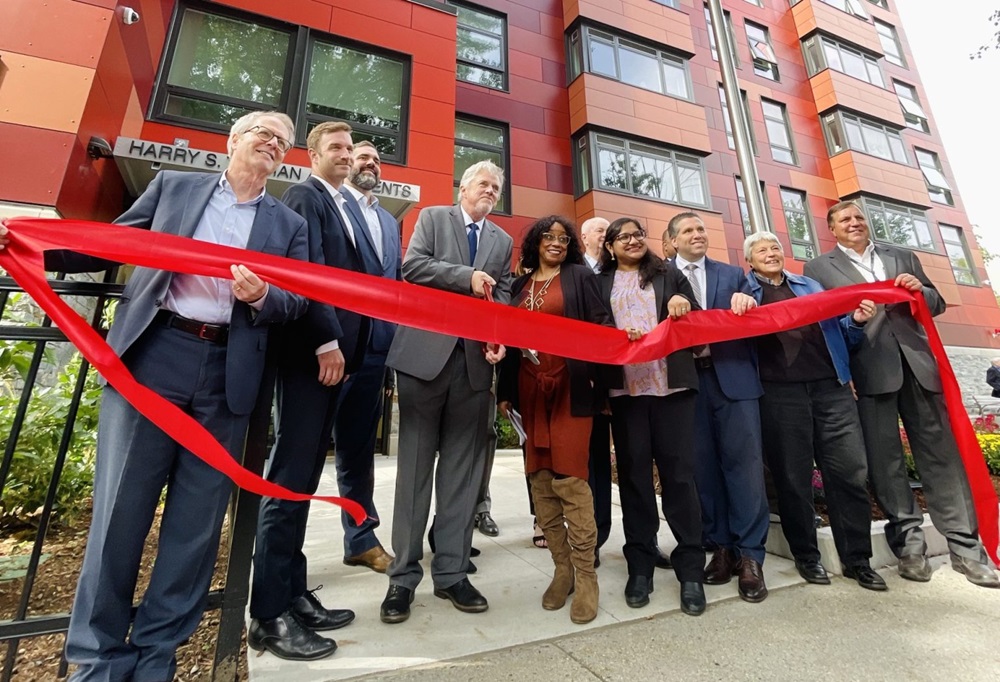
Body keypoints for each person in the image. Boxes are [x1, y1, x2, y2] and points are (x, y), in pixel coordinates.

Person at [24, 111, 311, 680]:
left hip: (228, 375)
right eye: (265, 134)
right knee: (119, 515)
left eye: (283, 143)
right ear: (233, 139)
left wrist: (262, 297)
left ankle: (157, 658)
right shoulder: (174, 187)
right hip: (154, 358)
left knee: (195, 528)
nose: (274, 145)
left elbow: (298, 299)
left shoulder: (287, 223)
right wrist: (32, 245)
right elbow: (113, 243)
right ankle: (98, 661)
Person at [805, 201, 999, 588]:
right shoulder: (819, 269)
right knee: (886, 464)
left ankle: (965, 547)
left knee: (942, 458)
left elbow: (935, 302)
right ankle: (910, 546)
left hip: (918, 367)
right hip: (869, 372)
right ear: (832, 229)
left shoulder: (901, 256)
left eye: (859, 217)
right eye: (845, 219)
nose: (854, 223)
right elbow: (825, 324)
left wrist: (920, 290)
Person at [249, 121, 376, 660]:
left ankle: (293, 593)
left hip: (338, 362)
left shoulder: (343, 203)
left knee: (302, 481)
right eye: (336, 148)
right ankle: (268, 615)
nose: (346, 155)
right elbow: (308, 275)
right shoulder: (305, 196)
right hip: (312, 358)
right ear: (312, 154)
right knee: (287, 480)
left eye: (350, 148)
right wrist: (326, 340)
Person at [380, 160, 514, 624]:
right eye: (484, 184)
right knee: (414, 472)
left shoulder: (503, 241)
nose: (490, 191)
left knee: (462, 476)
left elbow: (505, 294)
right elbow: (413, 267)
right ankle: (402, 578)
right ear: (463, 188)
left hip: (474, 368)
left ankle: (452, 574)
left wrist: (499, 336)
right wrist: (466, 277)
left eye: (496, 187)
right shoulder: (434, 218)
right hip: (424, 360)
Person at [745, 231, 886, 591]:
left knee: (849, 473)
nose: (771, 253)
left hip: (831, 389)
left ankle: (858, 560)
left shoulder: (810, 285)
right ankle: (807, 556)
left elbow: (841, 333)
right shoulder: (744, 292)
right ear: (750, 260)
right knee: (793, 479)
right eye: (761, 250)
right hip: (780, 395)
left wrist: (856, 321)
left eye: (775, 247)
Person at [497, 215, 611, 623]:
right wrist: (505, 392)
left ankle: (586, 576)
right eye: (549, 236)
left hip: (571, 387)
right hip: (530, 390)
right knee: (541, 478)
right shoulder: (519, 285)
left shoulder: (580, 277)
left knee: (572, 477)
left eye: (564, 238)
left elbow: (601, 324)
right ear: (536, 242)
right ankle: (562, 570)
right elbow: (509, 339)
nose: (557, 242)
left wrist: (602, 384)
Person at [597, 217, 707, 615]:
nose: (633, 241)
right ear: (610, 246)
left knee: (679, 478)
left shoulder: (670, 274)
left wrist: (683, 305)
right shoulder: (598, 282)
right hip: (626, 393)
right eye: (623, 236)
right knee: (634, 480)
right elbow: (592, 325)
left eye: (638, 235)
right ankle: (640, 566)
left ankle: (690, 570)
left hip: (671, 389)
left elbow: (697, 320)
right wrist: (612, 333)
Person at [669, 212, 770, 603]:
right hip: (688, 385)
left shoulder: (732, 274)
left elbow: (759, 313)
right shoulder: (661, 277)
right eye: (688, 230)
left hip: (734, 381)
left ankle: (751, 556)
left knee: (745, 468)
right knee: (703, 470)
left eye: (701, 229)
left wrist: (749, 300)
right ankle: (722, 548)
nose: (697, 234)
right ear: (672, 241)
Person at [336, 140, 402, 570]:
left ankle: (360, 538)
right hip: (328, 346)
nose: (371, 164)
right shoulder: (329, 203)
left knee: (358, 450)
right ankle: (281, 560)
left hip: (375, 351)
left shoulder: (388, 221)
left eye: (377, 160)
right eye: (363, 157)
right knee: (299, 454)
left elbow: (393, 283)